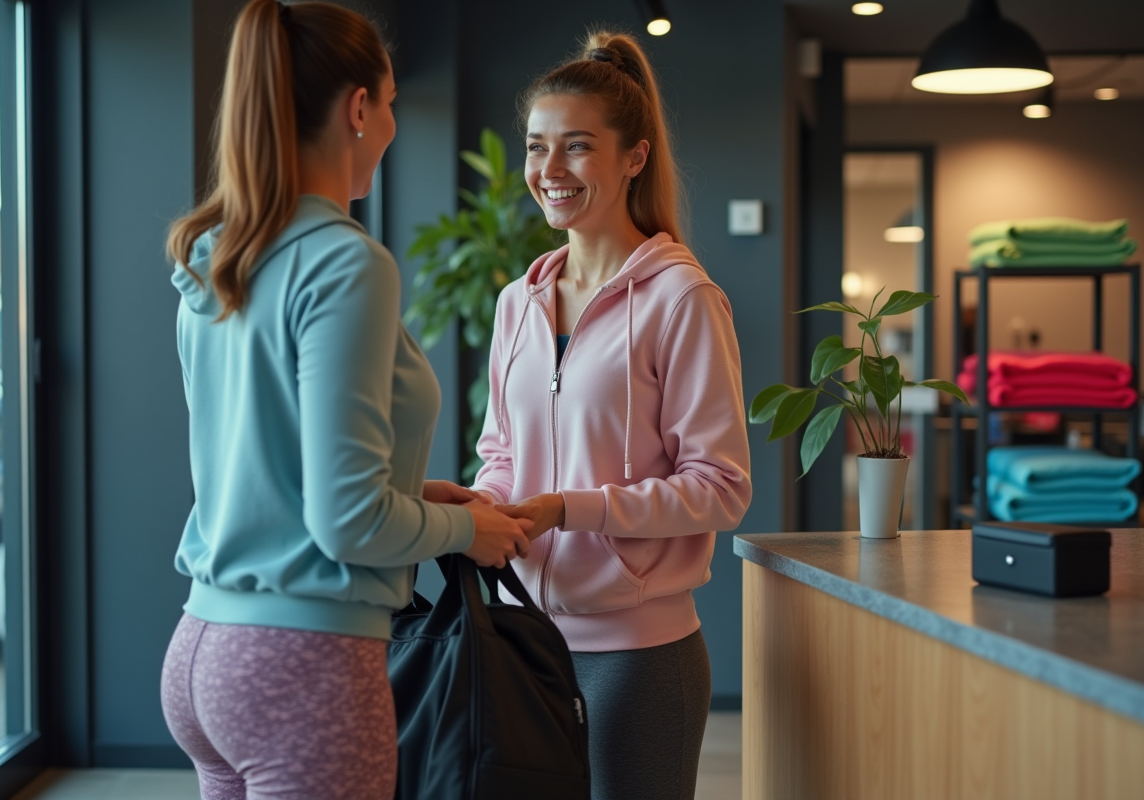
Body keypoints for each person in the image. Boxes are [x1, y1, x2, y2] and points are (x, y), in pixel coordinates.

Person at [158, 3, 531, 799]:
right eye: (391, 101)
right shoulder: (344, 263)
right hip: (302, 664)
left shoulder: (218, 255)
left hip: (203, 649)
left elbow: (265, 467)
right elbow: (347, 521)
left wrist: (414, 493)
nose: (393, 121)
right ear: (359, 108)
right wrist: (469, 529)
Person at [472, 31, 753, 800]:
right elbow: (501, 451)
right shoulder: (516, 304)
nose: (548, 171)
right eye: (536, 148)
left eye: (576, 148)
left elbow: (721, 486)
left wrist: (570, 509)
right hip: (518, 638)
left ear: (634, 156)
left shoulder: (681, 299)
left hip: (636, 655)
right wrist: (489, 507)